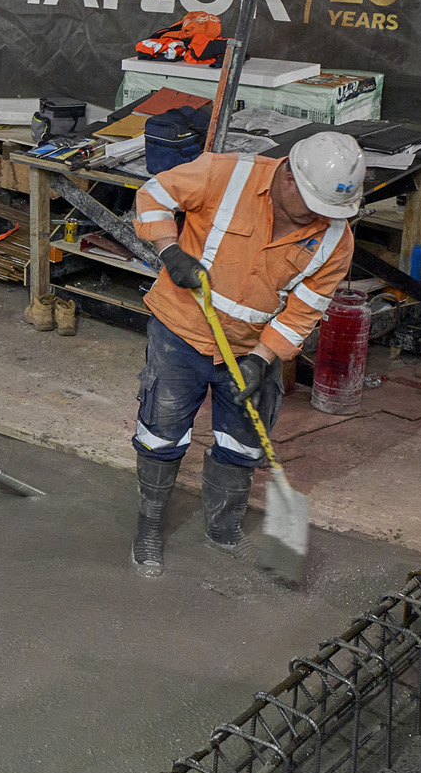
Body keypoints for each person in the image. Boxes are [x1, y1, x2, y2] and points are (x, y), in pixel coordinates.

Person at [129, 132, 365, 577]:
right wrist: (170, 250)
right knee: (161, 434)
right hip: (181, 332)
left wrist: (263, 358)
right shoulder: (226, 174)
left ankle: (222, 528)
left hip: (249, 350)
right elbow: (153, 195)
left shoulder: (337, 240)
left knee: (242, 442)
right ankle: (149, 527)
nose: (320, 218)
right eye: (314, 204)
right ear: (290, 178)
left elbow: (304, 310)